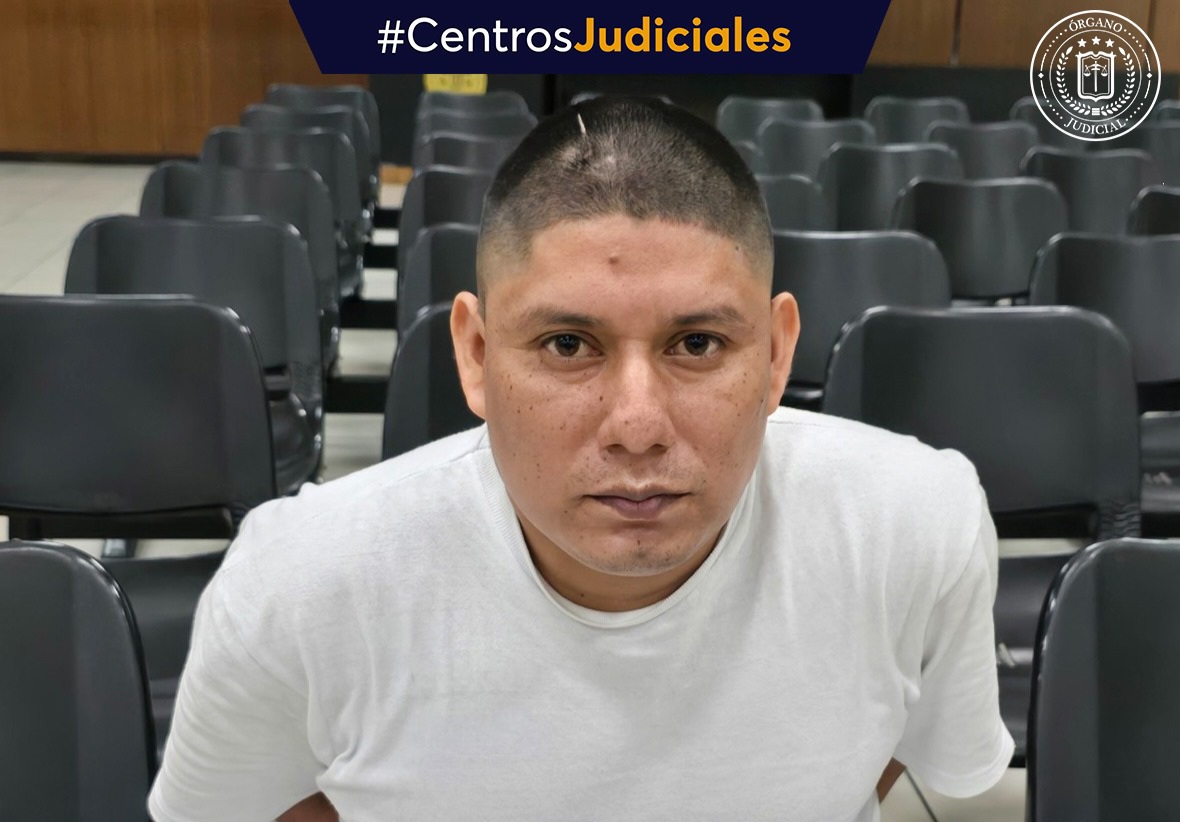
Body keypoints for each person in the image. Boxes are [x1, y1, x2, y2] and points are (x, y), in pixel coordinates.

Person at [147, 96, 1013, 822]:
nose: (637, 426)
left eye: (699, 344)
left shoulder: (917, 527)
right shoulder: (298, 586)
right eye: (567, 344)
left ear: (778, 355)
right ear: (476, 355)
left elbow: (882, 757)